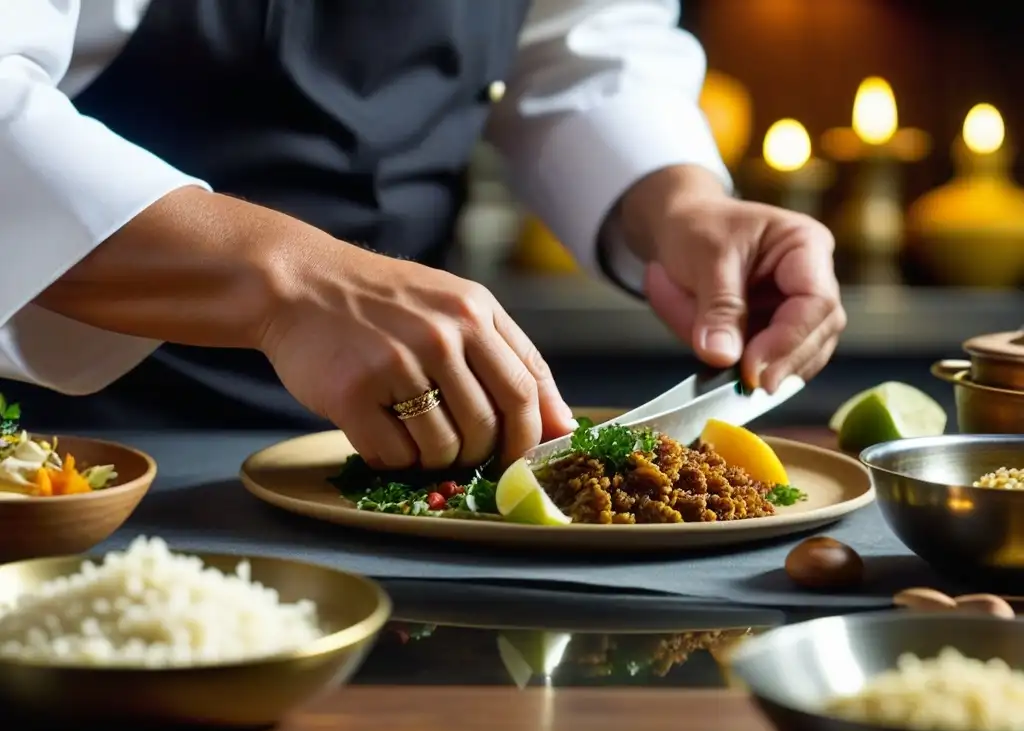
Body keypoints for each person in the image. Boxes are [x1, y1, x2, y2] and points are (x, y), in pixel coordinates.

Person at [0, 0, 845, 470]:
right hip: (70, 450)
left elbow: (581, 46)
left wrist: (682, 204)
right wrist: (293, 283)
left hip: (412, 451)